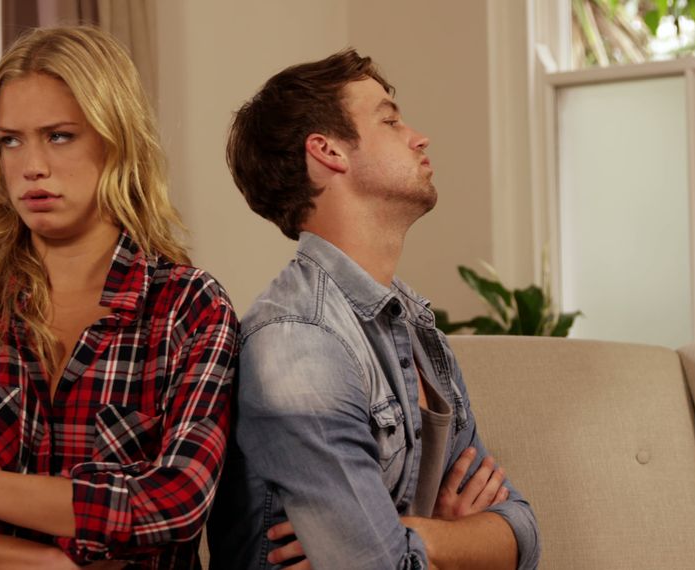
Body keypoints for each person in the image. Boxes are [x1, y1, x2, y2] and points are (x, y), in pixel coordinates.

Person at [0, 26, 237, 569]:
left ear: (116, 139)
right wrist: (57, 566)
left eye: (59, 136)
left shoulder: (188, 309)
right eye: (10, 140)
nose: (32, 165)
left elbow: (176, 504)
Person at [207, 49, 540, 569]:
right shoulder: (298, 341)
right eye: (390, 120)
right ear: (328, 151)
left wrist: (416, 535)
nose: (419, 137)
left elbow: (523, 533)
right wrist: (458, 542)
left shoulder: (415, 326)